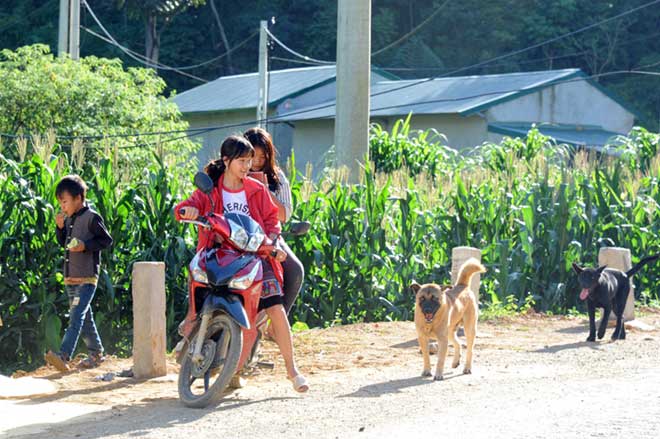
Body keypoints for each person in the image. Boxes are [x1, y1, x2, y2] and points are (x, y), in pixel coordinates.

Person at [175, 135, 309, 393]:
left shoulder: (256, 190)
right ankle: (192, 325)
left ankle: (292, 370)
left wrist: (274, 242)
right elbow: (188, 206)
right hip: (221, 252)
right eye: (242, 161)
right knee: (199, 284)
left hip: (256, 255)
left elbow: (272, 221)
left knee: (275, 307)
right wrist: (187, 211)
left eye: (249, 161)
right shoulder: (211, 189)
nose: (248, 166)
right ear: (226, 161)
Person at [45, 175, 113, 372]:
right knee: (84, 317)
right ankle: (96, 353)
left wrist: (85, 246)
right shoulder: (69, 220)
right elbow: (63, 244)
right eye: (60, 203)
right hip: (70, 279)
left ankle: (63, 355)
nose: (63, 207)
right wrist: (59, 228)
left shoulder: (92, 218)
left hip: (87, 278)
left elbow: (106, 241)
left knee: (76, 317)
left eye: (65, 202)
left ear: (78, 198)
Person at [243, 127, 304, 316]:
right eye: (253, 156)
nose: (257, 162)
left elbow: (285, 214)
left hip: (270, 233)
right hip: (238, 233)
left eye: (263, 157)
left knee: (295, 271)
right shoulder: (233, 173)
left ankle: (278, 321)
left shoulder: (277, 178)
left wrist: (263, 189)